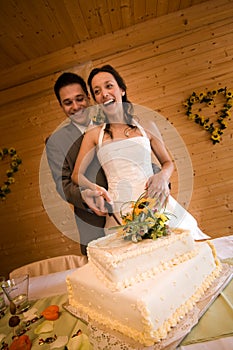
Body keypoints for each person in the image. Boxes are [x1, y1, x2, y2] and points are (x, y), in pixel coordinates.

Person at [71, 65, 209, 240]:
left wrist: (162, 177)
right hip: (121, 210)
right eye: (97, 91)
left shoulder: (147, 126)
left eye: (109, 86)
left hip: (157, 203)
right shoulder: (94, 134)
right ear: (96, 100)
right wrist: (96, 189)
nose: (104, 93)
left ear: (121, 90)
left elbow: (168, 162)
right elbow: (77, 175)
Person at [46, 72, 111, 255]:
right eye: (68, 103)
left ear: (88, 98)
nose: (75, 106)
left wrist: (158, 176)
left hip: (132, 213)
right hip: (94, 225)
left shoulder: (111, 122)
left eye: (79, 99)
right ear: (61, 106)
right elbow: (63, 185)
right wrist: (87, 197)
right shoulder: (56, 142)